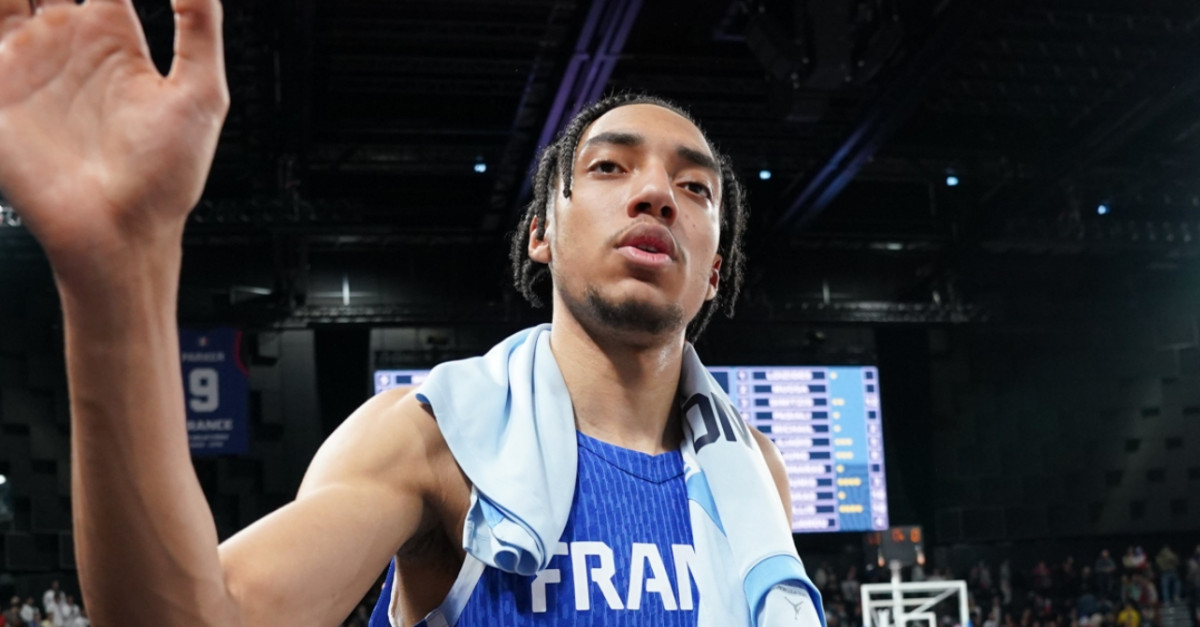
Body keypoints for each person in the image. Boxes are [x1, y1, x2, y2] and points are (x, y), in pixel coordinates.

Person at [0, 1, 818, 626]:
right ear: (541, 232)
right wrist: (121, 272)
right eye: (610, 167)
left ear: (714, 272)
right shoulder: (433, 438)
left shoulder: (756, 470)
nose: (657, 194)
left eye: (695, 187)